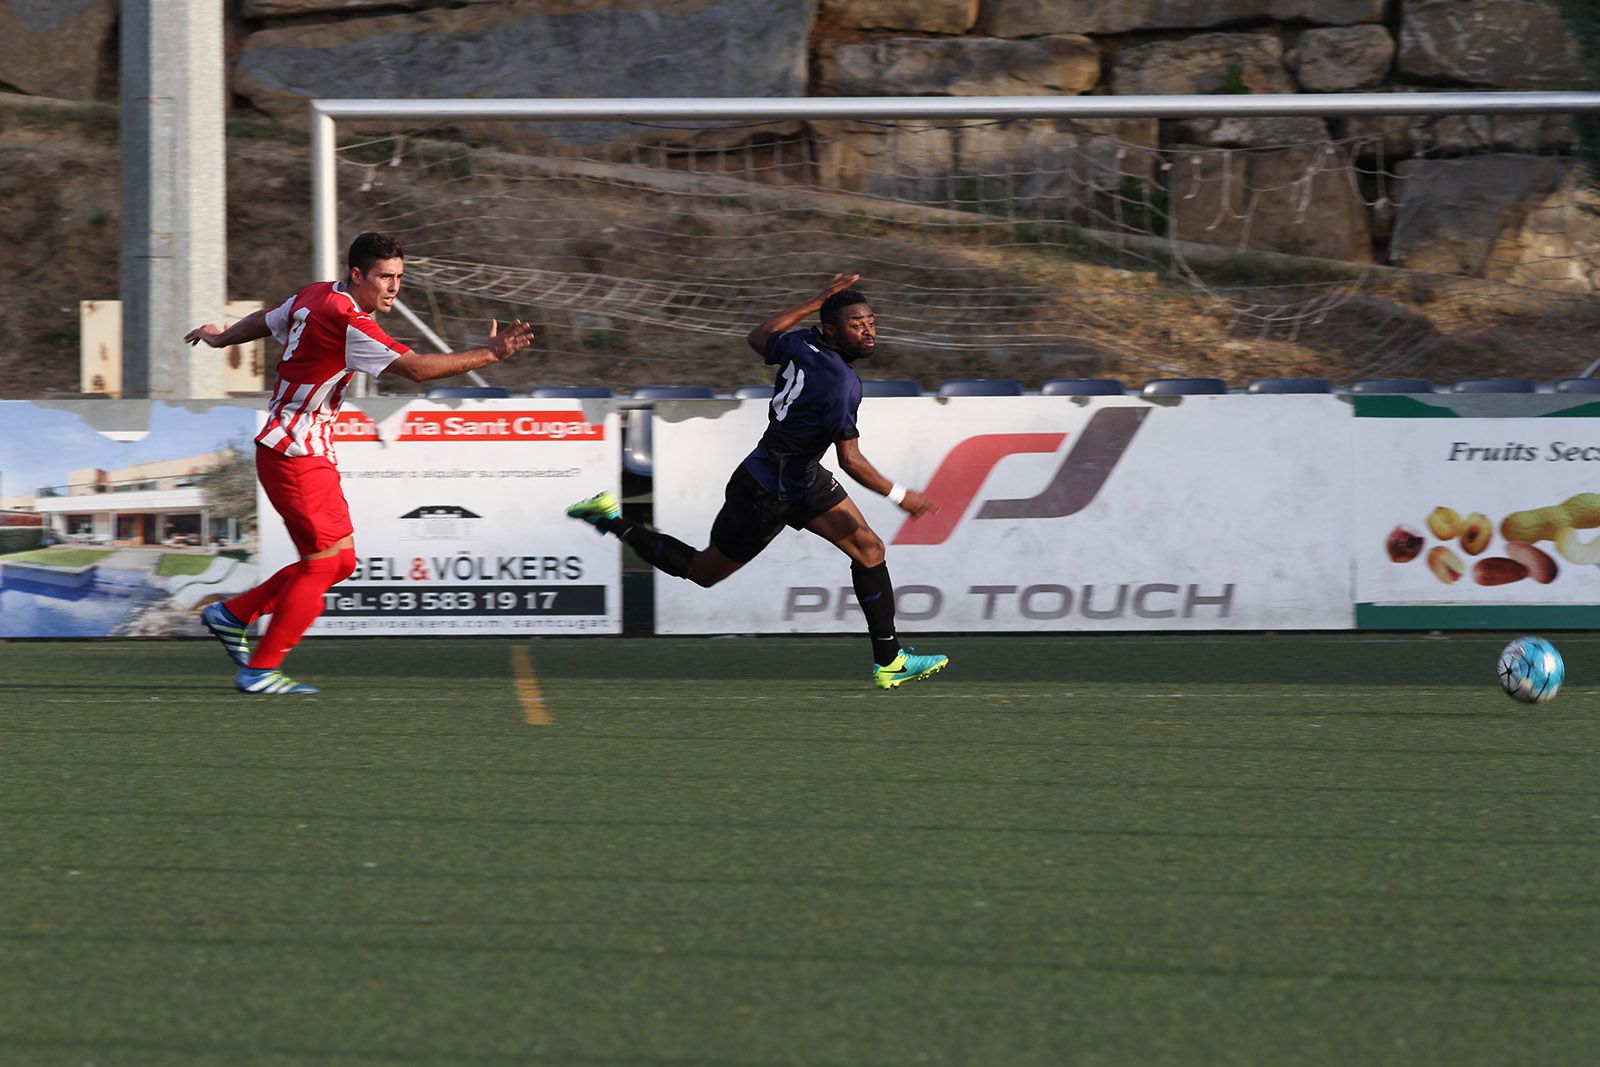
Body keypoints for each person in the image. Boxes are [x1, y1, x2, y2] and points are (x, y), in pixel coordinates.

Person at [184, 231, 535, 694]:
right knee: (322, 563)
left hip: (308, 449)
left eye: (399, 278)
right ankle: (259, 669)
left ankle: (232, 614)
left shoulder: (317, 294)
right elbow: (419, 370)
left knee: (340, 562)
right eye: (385, 277)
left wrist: (221, 338)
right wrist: (493, 353)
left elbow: (265, 321)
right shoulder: (346, 318)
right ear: (357, 275)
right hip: (294, 451)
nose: (394, 287)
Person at [566, 274, 949, 689]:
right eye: (857, 324)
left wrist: (817, 299)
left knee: (870, 549)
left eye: (871, 321)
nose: (869, 331)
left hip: (802, 477)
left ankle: (889, 660)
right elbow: (851, 460)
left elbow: (761, 335)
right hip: (765, 490)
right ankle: (610, 519)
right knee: (703, 570)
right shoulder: (840, 384)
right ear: (831, 330)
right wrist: (900, 494)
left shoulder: (802, 342)